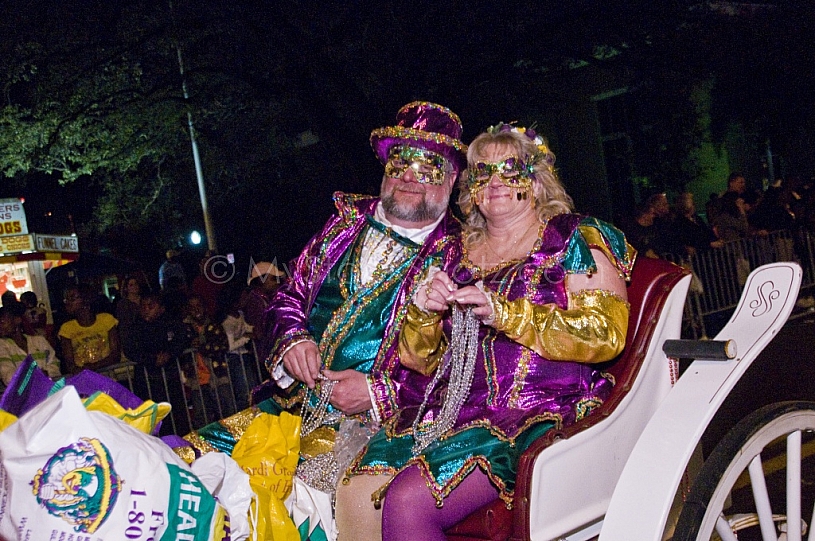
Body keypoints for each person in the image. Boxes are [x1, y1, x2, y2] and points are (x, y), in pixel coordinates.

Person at [341, 124, 634, 540]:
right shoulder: (452, 253)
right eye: (482, 172)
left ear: (535, 180)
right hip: (453, 414)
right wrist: (424, 313)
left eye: (509, 170)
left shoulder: (571, 238)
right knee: (355, 492)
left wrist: (506, 314)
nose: (494, 182)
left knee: (407, 499)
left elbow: (606, 334)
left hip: (540, 410)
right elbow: (418, 361)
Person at [265, 101, 466, 540]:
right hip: (289, 409)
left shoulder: (461, 253)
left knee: (305, 507)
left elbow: (464, 365)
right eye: (400, 163)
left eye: (428, 168)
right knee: (202, 464)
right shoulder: (343, 226)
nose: (409, 177)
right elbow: (288, 295)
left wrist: (379, 394)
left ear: (452, 180)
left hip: (381, 429)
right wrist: (293, 339)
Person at [57, 283, 121, 375]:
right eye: (66, 299)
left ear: (86, 299)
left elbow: (115, 355)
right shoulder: (67, 328)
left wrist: (92, 367)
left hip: (107, 376)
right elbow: (69, 363)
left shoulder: (106, 320)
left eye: (72, 298)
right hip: (85, 379)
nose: (67, 302)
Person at [0, 303, 61, 387]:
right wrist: (37, 375)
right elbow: (8, 376)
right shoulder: (3, 345)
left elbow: (54, 364)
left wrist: (45, 373)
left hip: (48, 386)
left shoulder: (39, 341)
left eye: (2, 322)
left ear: (17, 320)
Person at [243, 260, 286, 366]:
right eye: (273, 279)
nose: (277, 282)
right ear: (261, 280)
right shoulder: (255, 301)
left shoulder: (267, 298)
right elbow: (259, 329)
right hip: (264, 354)